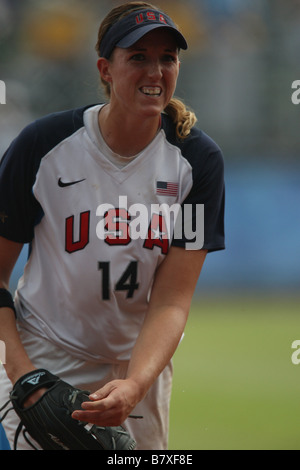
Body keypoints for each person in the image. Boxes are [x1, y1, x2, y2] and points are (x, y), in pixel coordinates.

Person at [0, 1, 225, 450]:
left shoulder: (197, 162)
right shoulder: (43, 147)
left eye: (167, 57)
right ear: (105, 68)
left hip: (138, 369)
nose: (155, 71)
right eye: (137, 57)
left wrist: (137, 384)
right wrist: (23, 373)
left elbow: (172, 301)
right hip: (44, 357)